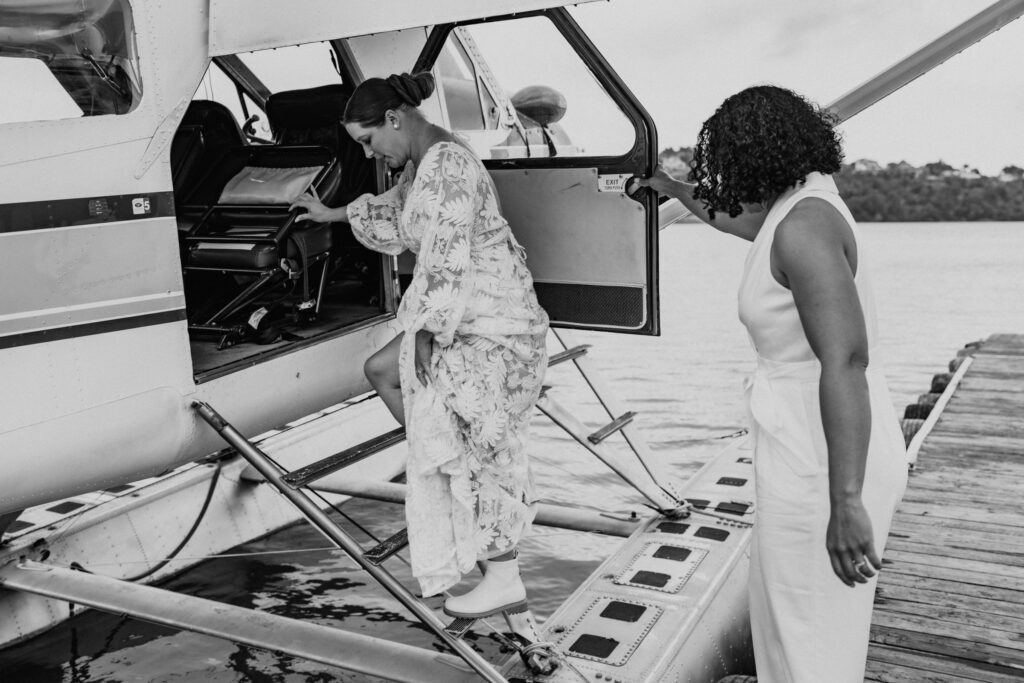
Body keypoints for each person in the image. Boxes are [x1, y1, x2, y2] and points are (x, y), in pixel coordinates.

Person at [635, 85, 908, 682]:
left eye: (725, 159)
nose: (722, 173)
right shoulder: (799, 203)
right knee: (793, 622)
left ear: (753, 154)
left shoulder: (803, 227)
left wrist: (846, 502)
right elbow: (741, 223)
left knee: (810, 634)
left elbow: (846, 361)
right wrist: (677, 191)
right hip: (806, 442)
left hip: (825, 456)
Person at [289, 73, 550, 624]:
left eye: (367, 140)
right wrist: (335, 215)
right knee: (384, 371)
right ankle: (451, 479)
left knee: (476, 433)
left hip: (488, 317)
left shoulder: (448, 165)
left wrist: (427, 328)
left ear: (393, 119)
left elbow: (446, 248)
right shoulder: (424, 163)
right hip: (462, 307)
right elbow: (399, 213)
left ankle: (503, 575)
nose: (368, 152)